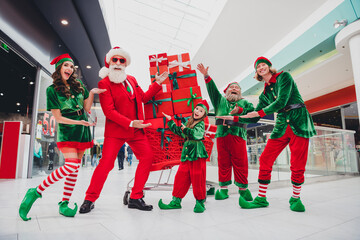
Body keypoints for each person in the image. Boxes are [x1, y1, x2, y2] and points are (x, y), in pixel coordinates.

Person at [79, 46, 168, 213]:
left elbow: (143, 98)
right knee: (105, 164)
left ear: (126, 63)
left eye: (122, 60)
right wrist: (130, 123)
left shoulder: (132, 80)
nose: (118, 63)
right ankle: (89, 199)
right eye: (115, 59)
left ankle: (136, 197)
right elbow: (109, 112)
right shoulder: (104, 83)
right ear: (109, 62)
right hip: (116, 131)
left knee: (147, 157)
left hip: (136, 131)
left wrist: (157, 83)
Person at [19, 53, 106, 221]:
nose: (69, 69)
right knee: (71, 164)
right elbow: (58, 118)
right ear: (59, 68)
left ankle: (64, 203)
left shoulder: (78, 84)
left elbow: (86, 108)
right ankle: (36, 191)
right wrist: (80, 123)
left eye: (71, 67)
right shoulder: (51, 90)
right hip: (67, 129)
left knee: (74, 168)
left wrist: (92, 93)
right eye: (66, 65)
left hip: (82, 130)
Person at [238, 56, 316, 212]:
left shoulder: (284, 77)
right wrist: (240, 112)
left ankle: (295, 198)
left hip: (298, 120)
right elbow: (257, 112)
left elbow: (281, 102)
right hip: (281, 124)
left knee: (297, 162)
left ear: (268, 66)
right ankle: (261, 198)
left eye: (263, 65)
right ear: (257, 73)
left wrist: (258, 112)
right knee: (265, 158)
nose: (261, 67)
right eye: (258, 67)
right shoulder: (265, 93)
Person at [196, 63, 254, 202]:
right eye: (231, 87)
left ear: (240, 92)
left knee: (241, 163)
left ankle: (243, 189)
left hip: (238, 135)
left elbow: (252, 111)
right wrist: (206, 76)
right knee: (223, 163)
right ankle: (223, 190)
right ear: (226, 91)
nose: (234, 88)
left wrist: (239, 111)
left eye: (237, 87)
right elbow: (212, 90)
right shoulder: (219, 101)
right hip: (221, 136)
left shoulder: (245, 103)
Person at [158, 100, 209, 213]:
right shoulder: (189, 123)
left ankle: (200, 202)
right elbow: (180, 132)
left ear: (203, 115)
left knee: (198, 178)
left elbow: (197, 134)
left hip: (197, 154)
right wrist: (170, 121)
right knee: (181, 177)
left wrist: (186, 130)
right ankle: (176, 201)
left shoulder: (200, 124)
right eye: (197, 109)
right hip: (186, 155)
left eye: (201, 111)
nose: (197, 111)